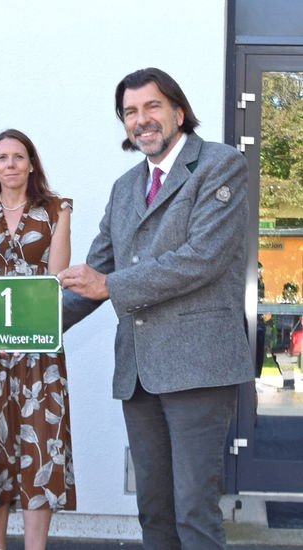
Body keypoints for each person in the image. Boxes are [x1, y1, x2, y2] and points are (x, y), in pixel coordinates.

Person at [58, 67, 253, 549]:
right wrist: (24, 332)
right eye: (130, 112)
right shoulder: (125, 187)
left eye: (152, 107)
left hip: (198, 367)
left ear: (178, 113)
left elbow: (201, 259)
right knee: (154, 510)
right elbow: (94, 275)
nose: (141, 119)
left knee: (194, 512)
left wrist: (109, 285)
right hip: (140, 373)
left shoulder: (220, 165)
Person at [0, 129, 75, 550]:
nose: (10, 164)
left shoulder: (57, 210)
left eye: (18, 156)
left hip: (38, 349)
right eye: (2, 157)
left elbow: (55, 283)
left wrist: (23, 332)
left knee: (41, 448)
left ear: (31, 164)